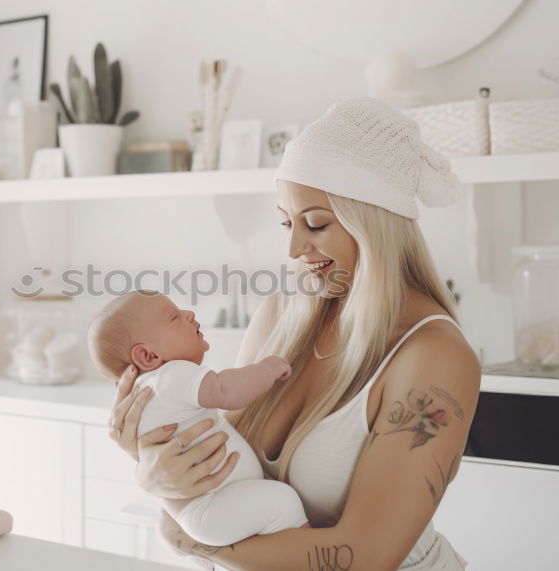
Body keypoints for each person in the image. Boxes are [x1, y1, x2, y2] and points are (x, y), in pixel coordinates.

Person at [107, 97, 480, 570]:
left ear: (375, 221)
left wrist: (190, 538)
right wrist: (150, 469)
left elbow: (364, 559)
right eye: (286, 222)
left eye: (316, 223)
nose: (294, 247)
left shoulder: (433, 355)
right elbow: (216, 465)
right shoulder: (280, 315)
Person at [87, 290, 311, 547]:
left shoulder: (150, 388)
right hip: (210, 507)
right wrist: (268, 368)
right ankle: (304, 546)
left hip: (204, 510)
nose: (189, 314)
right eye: (174, 317)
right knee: (282, 501)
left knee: (274, 504)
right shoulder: (170, 375)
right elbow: (226, 391)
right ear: (148, 356)